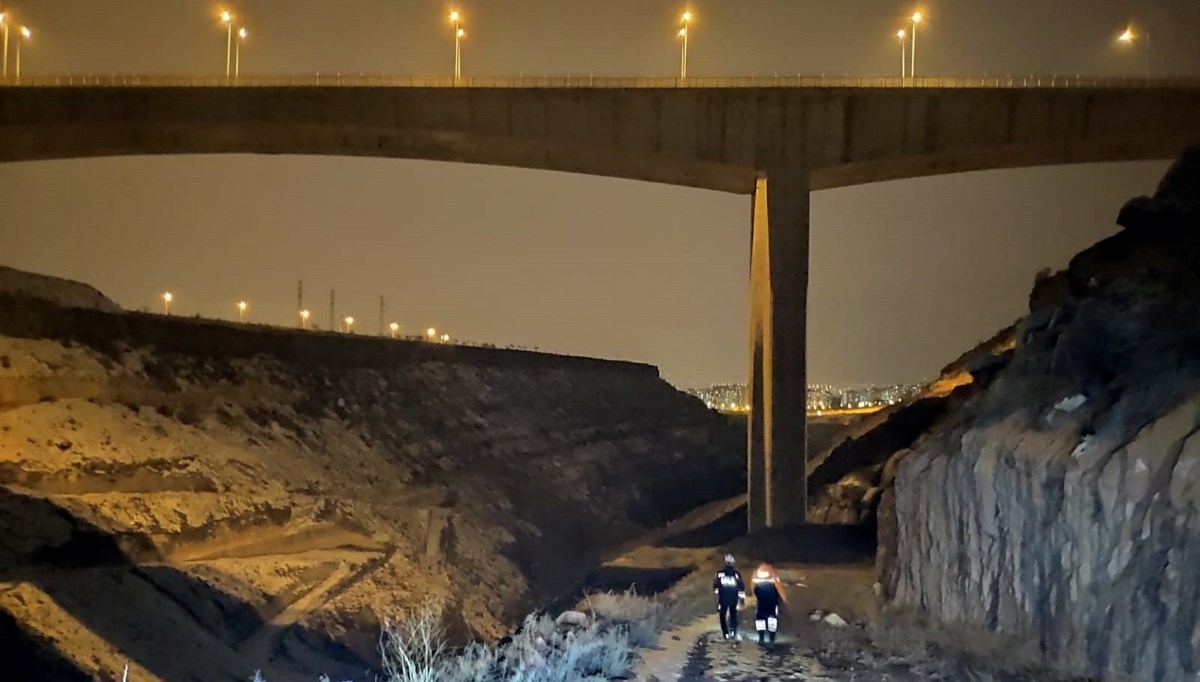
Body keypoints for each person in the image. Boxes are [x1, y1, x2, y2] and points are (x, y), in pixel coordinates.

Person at [752, 562, 787, 644]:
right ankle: (772, 636)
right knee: (772, 617)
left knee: (760, 617)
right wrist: (784, 598)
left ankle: (761, 636)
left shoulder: (756, 573)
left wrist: (754, 597)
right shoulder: (772, 572)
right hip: (771, 598)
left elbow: (753, 586)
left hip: (761, 598)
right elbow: (778, 585)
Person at [712, 554, 745, 640]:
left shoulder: (719, 574)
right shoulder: (736, 574)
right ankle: (733, 631)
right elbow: (741, 587)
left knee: (722, 615)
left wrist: (720, 592)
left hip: (723, 599)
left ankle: (725, 633)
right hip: (733, 598)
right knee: (733, 614)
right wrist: (742, 599)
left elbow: (715, 587)